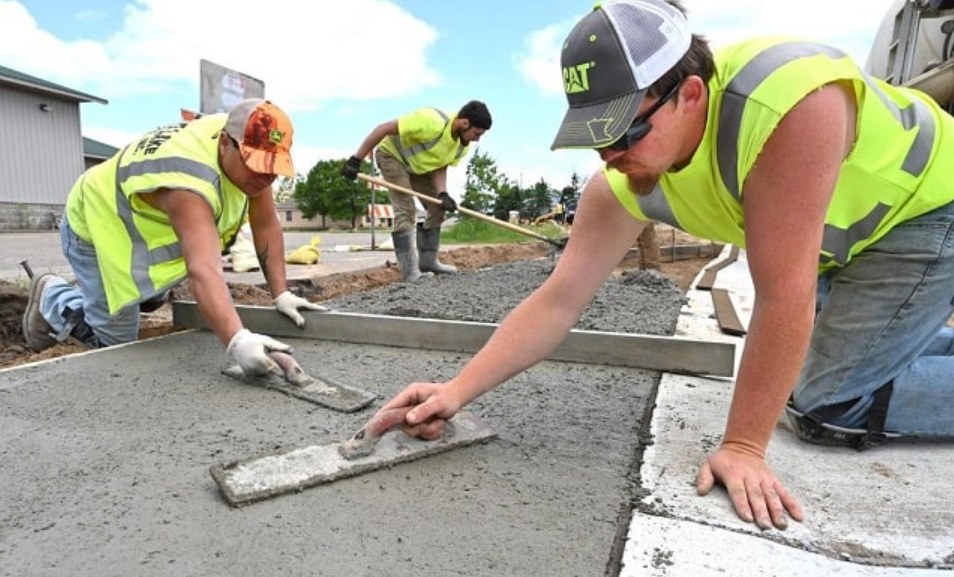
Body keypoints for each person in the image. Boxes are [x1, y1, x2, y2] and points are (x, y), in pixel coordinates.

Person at [375, 0, 954, 531]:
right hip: (850, 235)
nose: (610, 156)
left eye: (625, 132)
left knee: (826, 403)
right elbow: (558, 300)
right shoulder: (622, 181)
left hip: (928, 210)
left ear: (691, 95)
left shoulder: (788, 106)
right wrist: (456, 390)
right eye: (595, 137)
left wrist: (743, 446)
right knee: (815, 358)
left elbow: (784, 294)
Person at [22, 98, 325, 376]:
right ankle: (54, 298)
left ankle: (119, 295)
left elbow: (265, 223)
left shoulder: (244, 143)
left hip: (143, 229)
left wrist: (281, 293)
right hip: (96, 225)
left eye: (273, 168)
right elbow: (202, 270)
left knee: (150, 293)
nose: (266, 178)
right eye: (257, 165)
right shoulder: (188, 182)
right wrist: (237, 340)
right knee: (118, 344)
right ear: (225, 143)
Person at [340, 101, 493, 282]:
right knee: (406, 210)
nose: (477, 139)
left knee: (438, 207)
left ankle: (428, 262)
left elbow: (440, 166)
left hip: (417, 168)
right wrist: (356, 159)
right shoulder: (431, 121)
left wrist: (442, 193)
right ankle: (411, 272)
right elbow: (383, 128)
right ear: (465, 123)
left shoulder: (462, 145)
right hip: (392, 157)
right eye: (477, 134)